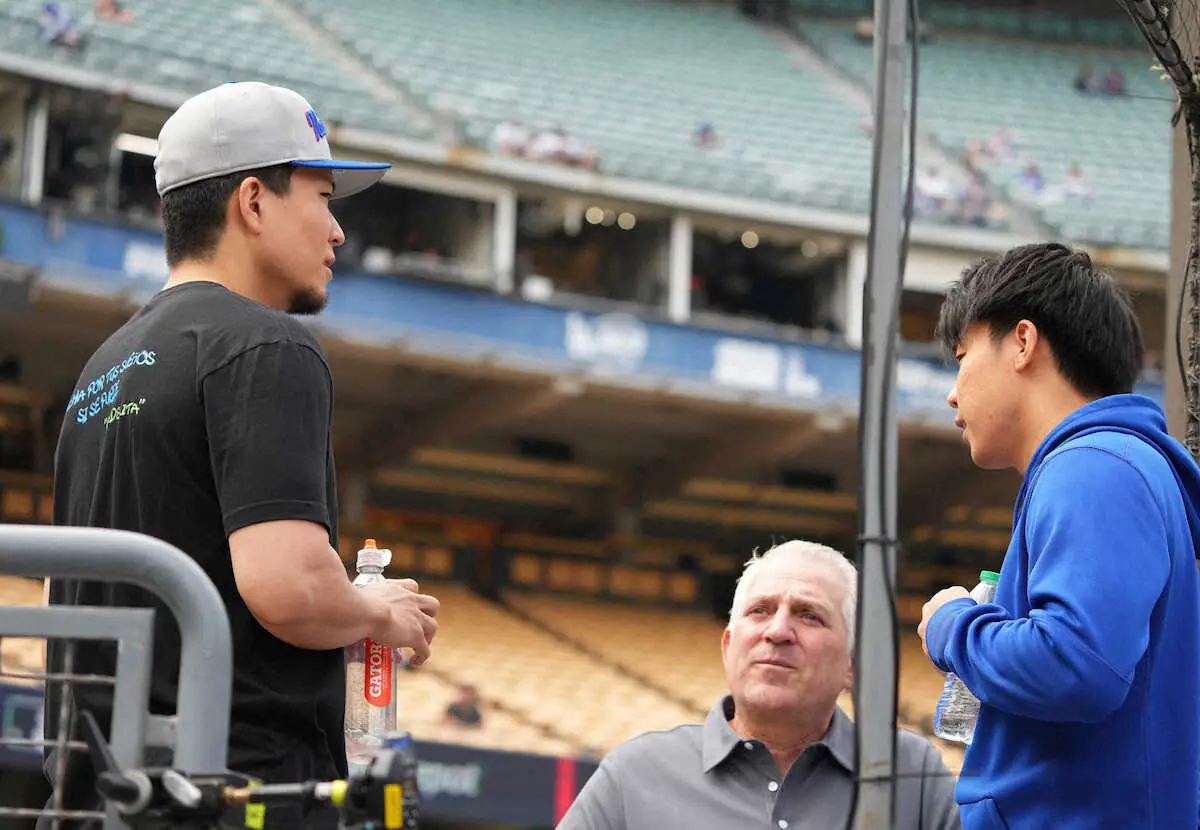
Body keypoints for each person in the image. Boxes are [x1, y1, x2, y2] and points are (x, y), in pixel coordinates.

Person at [44, 81, 441, 828]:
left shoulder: (104, 366)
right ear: (254, 202)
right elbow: (288, 589)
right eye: (323, 199)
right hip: (233, 791)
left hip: (97, 794)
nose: (338, 233)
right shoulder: (267, 344)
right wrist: (375, 612)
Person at [918, 242, 1200, 829]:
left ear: (1022, 341)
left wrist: (952, 625)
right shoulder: (1108, 463)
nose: (953, 391)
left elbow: (1077, 665)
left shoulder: (1093, 464)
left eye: (962, 356)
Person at [560, 540, 960, 830]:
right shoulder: (636, 773)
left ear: (852, 665)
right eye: (759, 611)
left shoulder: (911, 773)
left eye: (809, 616)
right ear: (728, 646)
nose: (778, 631)